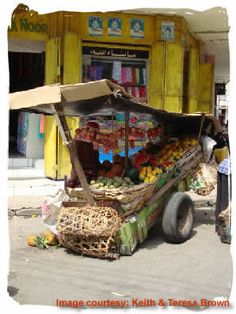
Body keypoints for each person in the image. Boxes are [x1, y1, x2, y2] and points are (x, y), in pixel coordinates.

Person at [66, 122, 101, 188]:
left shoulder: (94, 142)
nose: (92, 133)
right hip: (81, 169)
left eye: (94, 132)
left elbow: (95, 159)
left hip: (91, 170)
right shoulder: (78, 141)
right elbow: (74, 162)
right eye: (90, 131)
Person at [215, 157, 231, 240]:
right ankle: (226, 233)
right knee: (228, 201)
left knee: (221, 200)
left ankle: (219, 227)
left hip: (224, 166)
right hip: (229, 170)